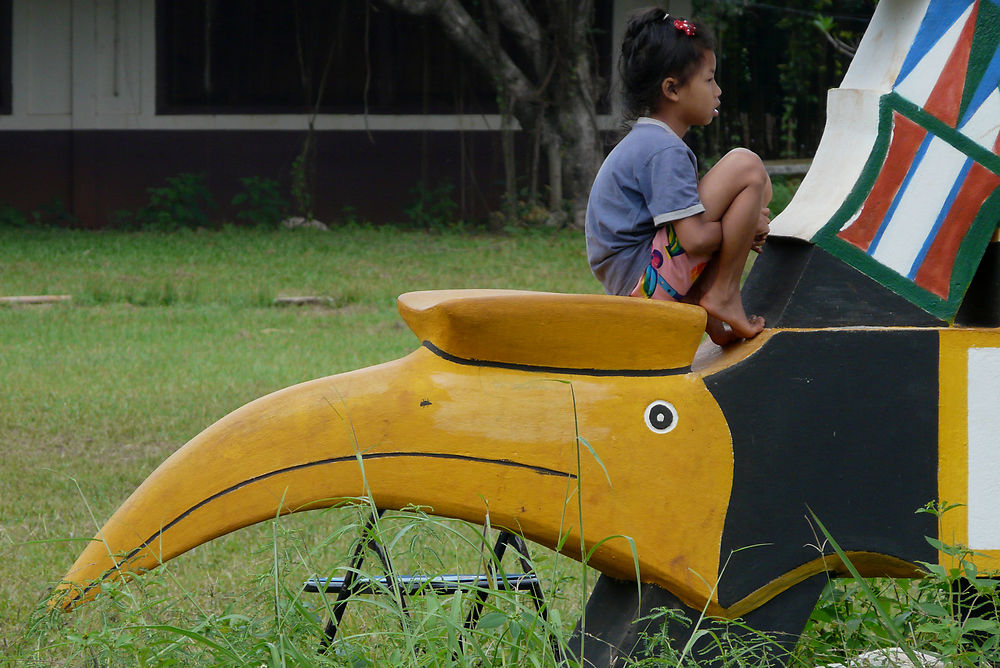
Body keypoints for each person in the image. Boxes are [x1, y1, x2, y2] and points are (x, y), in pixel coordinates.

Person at [586, 8, 771, 345]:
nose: (718, 90)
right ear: (671, 89)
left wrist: (745, 223)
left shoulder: (653, 141)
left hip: (641, 279)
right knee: (746, 165)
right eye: (709, 79)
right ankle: (723, 296)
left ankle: (709, 307)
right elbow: (694, 240)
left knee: (759, 186)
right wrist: (744, 229)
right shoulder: (662, 149)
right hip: (643, 284)